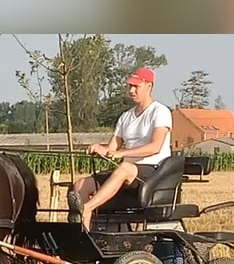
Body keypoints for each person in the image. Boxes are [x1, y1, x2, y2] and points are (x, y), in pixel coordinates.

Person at [68, 67, 173, 231]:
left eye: (136, 86)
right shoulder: (126, 116)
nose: (131, 90)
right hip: (127, 172)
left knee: (124, 167)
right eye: (130, 86)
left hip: (153, 172)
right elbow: (112, 147)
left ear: (149, 86)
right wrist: (99, 148)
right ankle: (83, 236)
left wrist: (122, 153)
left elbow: (155, 146)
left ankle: (86, 209)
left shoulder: (160, 112)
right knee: (81, 184)